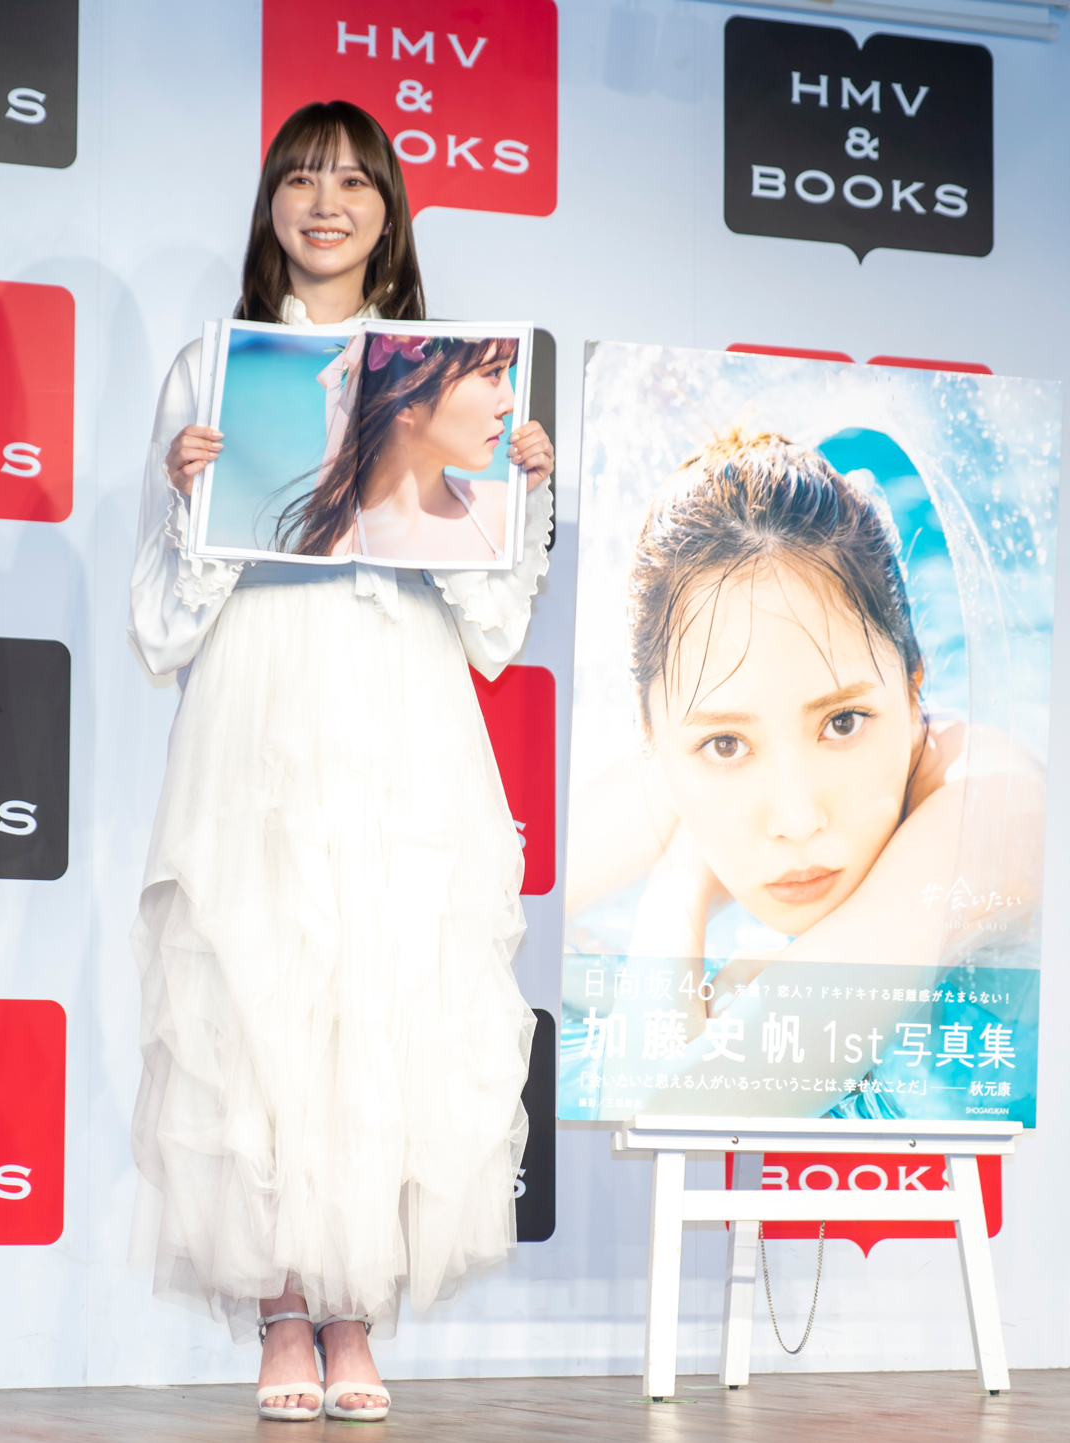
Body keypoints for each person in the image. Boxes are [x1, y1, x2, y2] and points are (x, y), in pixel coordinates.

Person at [127, 100, 555, 1421]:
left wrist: (519, 492)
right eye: (302, 179)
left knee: (385, 994)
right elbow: (161, 628)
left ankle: (353, 1313)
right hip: (261, 703)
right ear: (271, 205)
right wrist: (192, 496)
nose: (326, 203)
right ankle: (281, 1313)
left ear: (389, 213)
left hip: (402, 706)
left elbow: (496, 630)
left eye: (355, 182)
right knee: (258, 994)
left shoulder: (452, 372)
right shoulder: (212, 367)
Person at [564, 431, 1042, 1104]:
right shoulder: (687, 769)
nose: (794, 818)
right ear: (652, 742)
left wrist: (679, 879)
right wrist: (686, 878)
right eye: (726, 745)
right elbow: (492, 907)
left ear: (914, 687)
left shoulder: (995, 806)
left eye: (842, 722)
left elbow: (666, 1105)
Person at [276, 331, 519, 563]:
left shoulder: (506, 509)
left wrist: (533, 488)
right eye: (493, 372)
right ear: (404, 396)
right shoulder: (341, 553)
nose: (511, 403)